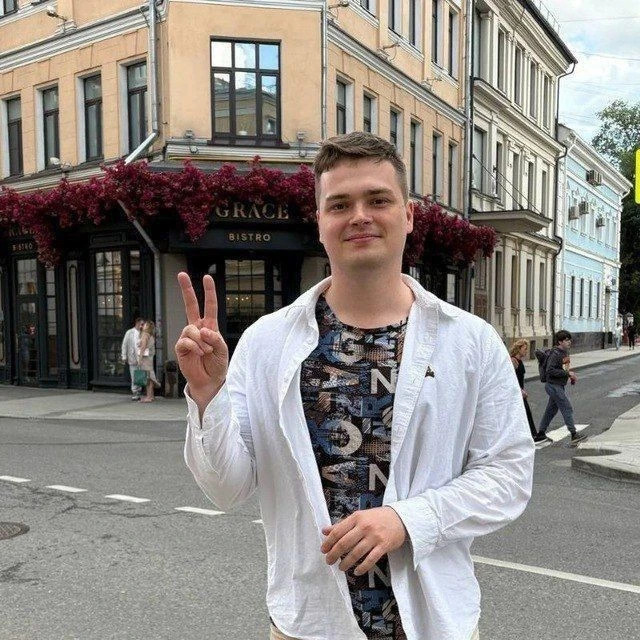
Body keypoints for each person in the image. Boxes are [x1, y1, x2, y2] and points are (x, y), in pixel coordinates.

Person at [177, 132, 534, 640]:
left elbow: (509, 475)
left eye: (378, 200)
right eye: (340, 204)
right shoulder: (266, 343)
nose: (359, 216)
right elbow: (226, 488)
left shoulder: (470, 342)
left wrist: (408, 520)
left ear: (408, 215)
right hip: (310, 624)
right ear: (320, 222)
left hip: (434, 623)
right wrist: (207, 395)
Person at [537, 330, 587, 444]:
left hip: (558, 385)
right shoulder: (555, 354)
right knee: (566, 408)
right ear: (560, 342)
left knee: (550, 411)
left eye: (569, 340)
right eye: (566, 340)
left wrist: (570, 376)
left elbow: (563, 369)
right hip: (553, 385)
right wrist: (568, 374)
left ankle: (541, 433)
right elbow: (550, 371)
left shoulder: (564, 353)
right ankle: (574, 434)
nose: (569, 342)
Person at [510, 339, 540, 442]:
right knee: (525, 413)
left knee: (524, 413)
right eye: (525, 349)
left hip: (520, 392)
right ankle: (532, 435)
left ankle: (530, 435)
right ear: (518, 349)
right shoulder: (513, 361)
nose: (526, 351)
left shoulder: (519, 361)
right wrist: (519, 390)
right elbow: (510, 379)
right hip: (515, 393)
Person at [121, 317, 144, 400]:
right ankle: (135, 392)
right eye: (141, 324)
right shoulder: (129, 332)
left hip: (142, 357)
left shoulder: (143, 333)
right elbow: (124, 344)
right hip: (132, 357)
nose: (142, 326)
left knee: (140, 375)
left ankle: (139, 391)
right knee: (134, 375)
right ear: (137, 323)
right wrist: (124, 356)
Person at [138, 320, 160, 402]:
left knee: (147, 377)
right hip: (149, 357)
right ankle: (151, 396)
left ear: (147, 327)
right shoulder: (150, 335)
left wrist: (140, 358)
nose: (143, 325)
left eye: (145, 325)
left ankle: (149, 397)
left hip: (145, 358)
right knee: (149, 376)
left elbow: (143, 346)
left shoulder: (145, 335)